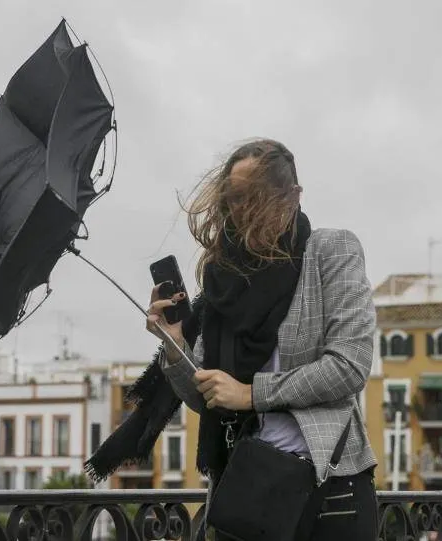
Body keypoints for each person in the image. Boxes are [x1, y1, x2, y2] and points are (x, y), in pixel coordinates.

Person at [144, 138, 379, 540]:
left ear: (293, 196)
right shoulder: (225, 277)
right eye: (234, 197)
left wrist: (252, 394)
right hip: (247, 491)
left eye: (255, 197)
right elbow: (208, 395)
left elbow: (350, 364)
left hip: (326, 491)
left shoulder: (329, 250)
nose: (241, 209)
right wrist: (172, 342)